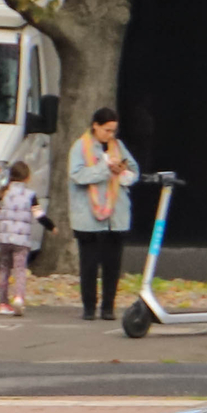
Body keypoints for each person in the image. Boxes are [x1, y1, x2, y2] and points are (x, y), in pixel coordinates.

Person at [67, 107, 138, 320]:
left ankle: (108, 307)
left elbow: (134, 170)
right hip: (88, 217)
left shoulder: (118, 146)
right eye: (107, 130)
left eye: (114, 130)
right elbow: (77, 175)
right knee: (89, 265)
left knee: (112, 264)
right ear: (95, 126)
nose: (111, 135)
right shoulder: (80, 146)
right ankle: (89, 307)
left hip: (115, 216)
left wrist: (123, 172)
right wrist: (104, 169)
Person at [0, 160, 41, 316]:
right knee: (19, 269)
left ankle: (3, 304)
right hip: (21, 240)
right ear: (27, 178)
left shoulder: (1, 193)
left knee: (4, 269)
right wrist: (52, 226)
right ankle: (18, 297)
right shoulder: (30, 195)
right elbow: (40, 215)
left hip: (4, 239)